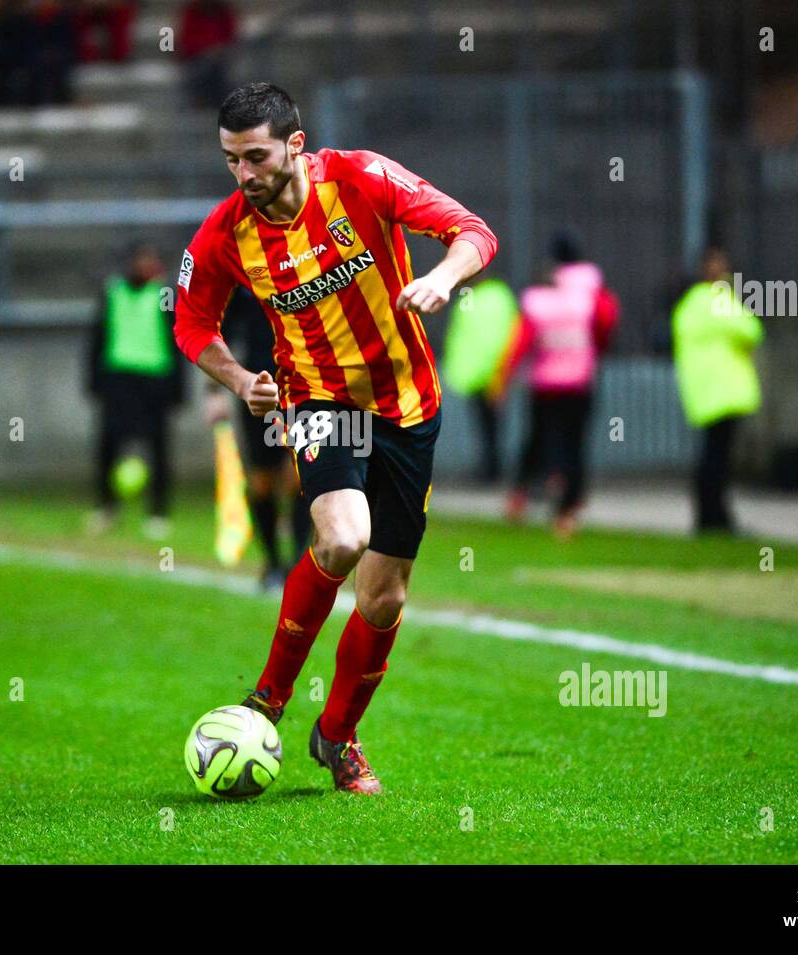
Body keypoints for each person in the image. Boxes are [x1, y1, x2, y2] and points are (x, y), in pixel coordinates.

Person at [175, 82, 497, 793]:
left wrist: (445, 276)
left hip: (409, 404)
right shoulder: (226, 232)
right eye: (231, 160)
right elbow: (191, 320)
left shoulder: (361, 177)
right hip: (319, 396)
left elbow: (474, 231)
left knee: (382, 597)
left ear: (294, 144)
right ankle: (267, 699)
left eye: (255, 157)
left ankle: (338, 735)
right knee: (343, 537)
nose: (244, 175)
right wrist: (237, 378)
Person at [504, 233, 619, 537]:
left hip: (544, 383)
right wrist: (596, 351)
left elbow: (522, 340)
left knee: (540, 440)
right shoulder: (592, 293)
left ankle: (523, 493)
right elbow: (606, 323)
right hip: (579, 380)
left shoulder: (540, 295)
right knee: (574, 444)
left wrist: (504, 377)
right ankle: (568, 509)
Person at [206, 287, 311, 590]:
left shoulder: (306, 268)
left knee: (299, 476)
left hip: (303, 388)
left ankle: (297, 562)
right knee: (263, 481)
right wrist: (214, 391)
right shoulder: (245, 279)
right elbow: (216, 333)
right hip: (259, 390)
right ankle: (273, 562)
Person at [86, 243, 183, 540]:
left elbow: (178, 340)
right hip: (119, 379)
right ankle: (107, 507)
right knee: (108, 445)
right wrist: (94, 381)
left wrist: (178, 389)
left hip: (154, 380)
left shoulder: (164, 295)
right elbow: (96, 339)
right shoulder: (112, 292)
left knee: (158, 447)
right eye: (140, 260)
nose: (145, 266)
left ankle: (158, 512)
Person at [671, 246, 763, 534]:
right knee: (718, 459)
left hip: (702, 391)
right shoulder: (720, 302)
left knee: (710, 457)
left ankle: (707, 516)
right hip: (725, 391)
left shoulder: (688, 306)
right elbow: (751, 331)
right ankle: (717, 518)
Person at [440, 275, 518, 485]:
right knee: (490, 425)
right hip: (490, 373)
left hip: (481, 374)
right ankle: (492, 468)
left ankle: (491, 470)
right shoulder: (499, 297)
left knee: (488, 425)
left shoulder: (476, 299)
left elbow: (466, 337)